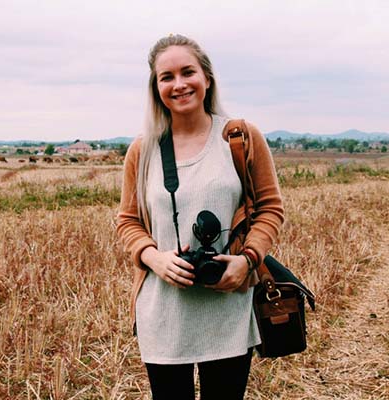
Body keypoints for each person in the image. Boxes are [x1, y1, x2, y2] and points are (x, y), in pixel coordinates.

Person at [116, 34, 284, 399]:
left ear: (207, 78)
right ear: (156, 86)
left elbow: (271, 209)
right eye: (166, 76)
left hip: (227, 310)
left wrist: (247, 260)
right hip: (163, 313)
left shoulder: (239, 137)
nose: (179, 84)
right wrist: (155, 258)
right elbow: (128, 220)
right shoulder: (142, 150)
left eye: (187, 72)